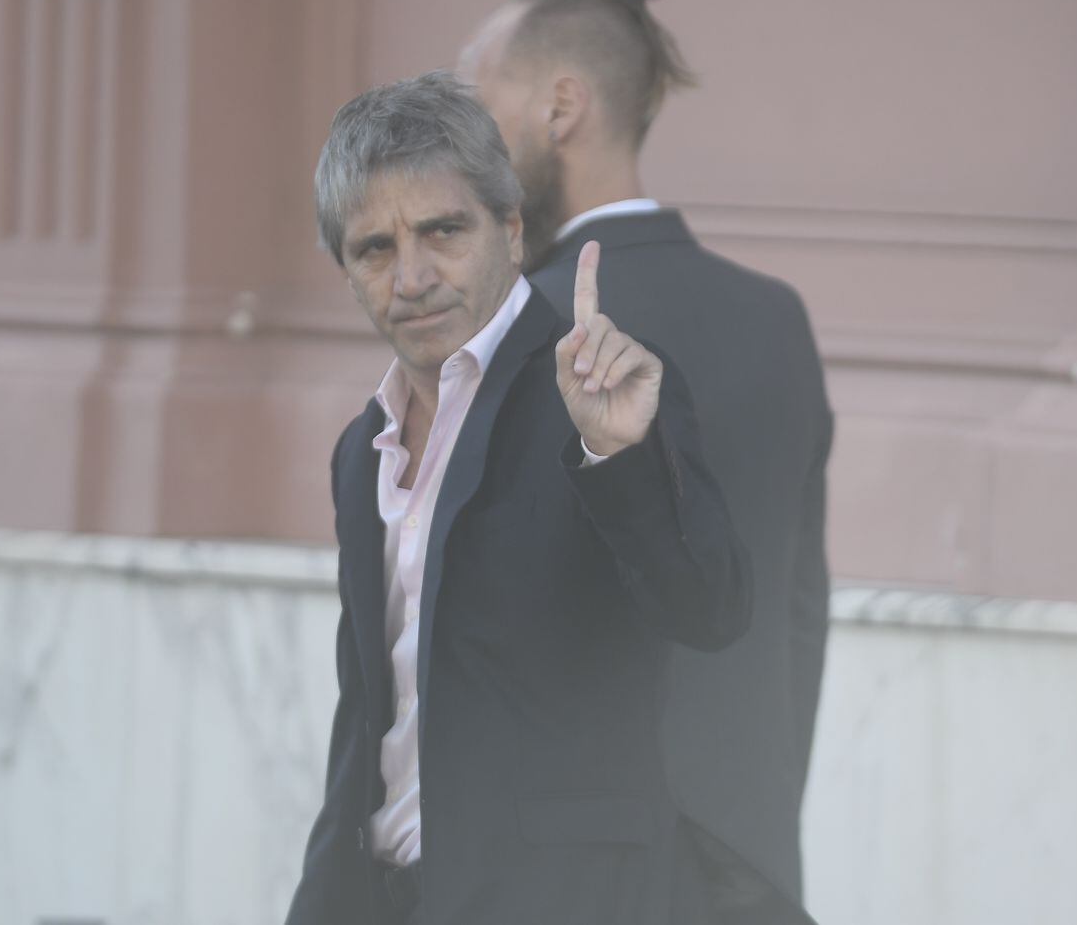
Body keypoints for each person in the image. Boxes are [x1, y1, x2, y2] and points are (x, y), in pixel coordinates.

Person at [285, 71, 753, 925]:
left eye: (444, 231)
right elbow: (367, 726)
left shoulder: (598, 393)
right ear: (347, 270)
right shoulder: (364, 450)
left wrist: (618, 454)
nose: (413, 276)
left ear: (510, 227)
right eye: (374, 249)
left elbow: (710, 610)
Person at [460, 0, 833, 918]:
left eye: (475, 102)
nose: (459, 147)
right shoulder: (774, 319)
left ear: (559, 107)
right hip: (750, 868)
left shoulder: (511, 330)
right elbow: (798, 612)